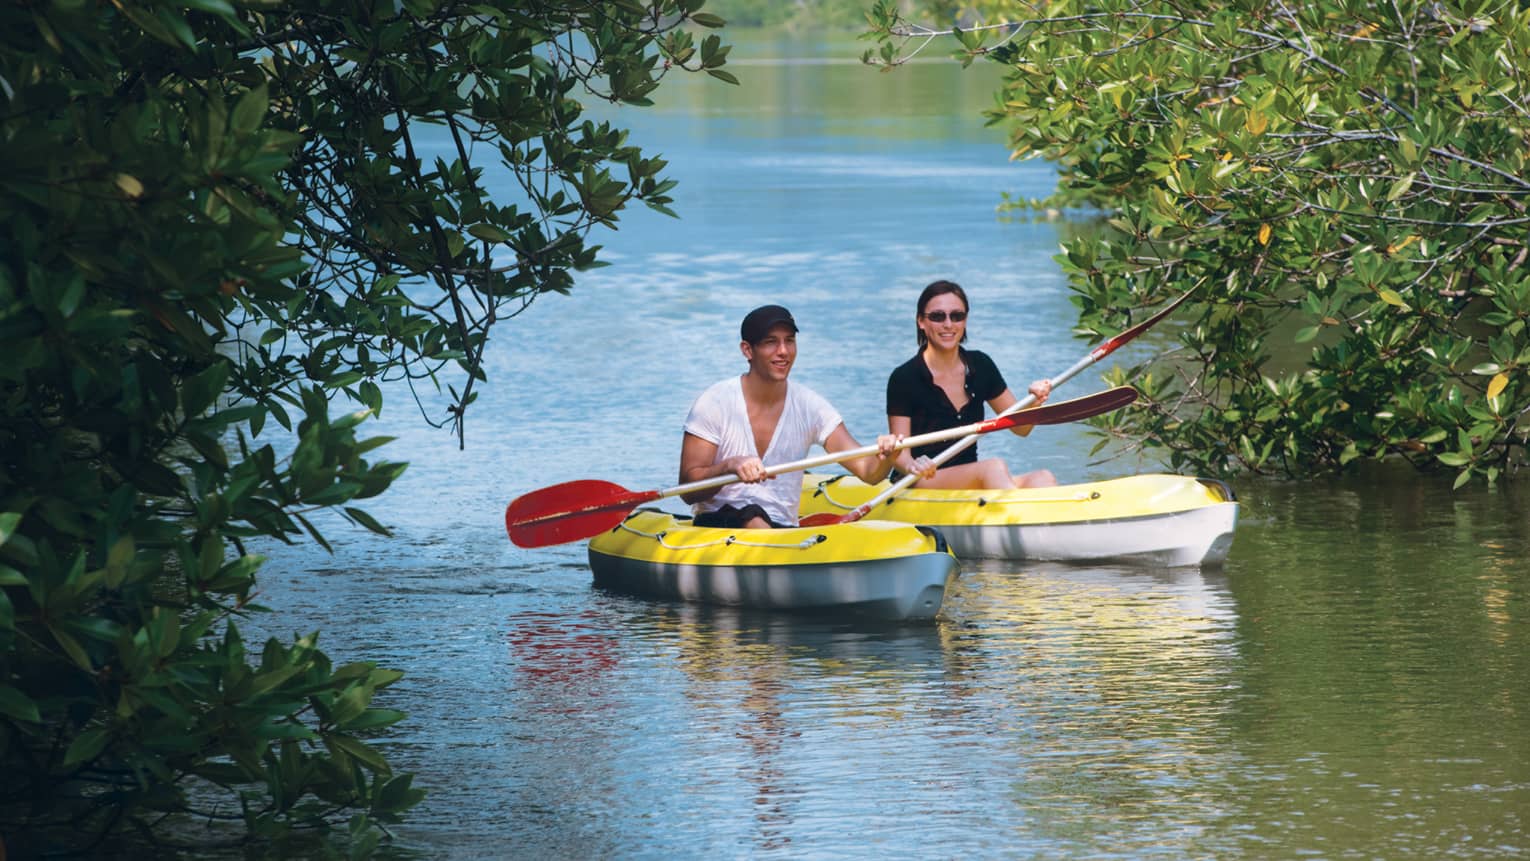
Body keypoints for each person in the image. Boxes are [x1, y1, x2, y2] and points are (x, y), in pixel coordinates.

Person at [679, 304, 905, 529]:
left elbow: (868, 472)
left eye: (789, 340)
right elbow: (687, 491)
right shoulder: (714, 402)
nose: (783, 351)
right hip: (718, 524)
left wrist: (888, 455)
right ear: (747, 350)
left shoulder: (811, 406)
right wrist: (729, 466)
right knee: (753, 518)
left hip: (783, 531)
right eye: (771, 342)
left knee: (760, 521)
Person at [885, 280, 1058, 489]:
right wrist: (913, 465)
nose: (948, 324)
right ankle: (1016, 518)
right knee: (993, 467)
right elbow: (899, 455)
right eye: (938, 316)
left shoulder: (981, 365)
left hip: (969, 476)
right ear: (921, 321)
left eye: (956, 316)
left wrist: (1035, 400)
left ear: (965, 321)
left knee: (1042, 478)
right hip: (921, 478)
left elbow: (1021, 429)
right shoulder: (904, 377)